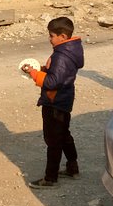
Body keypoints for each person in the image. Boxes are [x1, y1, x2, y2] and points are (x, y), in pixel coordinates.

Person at [22, 17, 84, 189]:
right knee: (63, 135)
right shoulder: (70, 51)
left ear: (62, 36)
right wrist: (42, 70)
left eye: (51, 36)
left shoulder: (61, 55)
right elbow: (57, 75)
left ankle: (50, 178)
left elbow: (52, 82)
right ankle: (73, 167)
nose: (50, 39)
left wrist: (35, 73)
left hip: (55, 101)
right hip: (63, 99)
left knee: (53, 140)